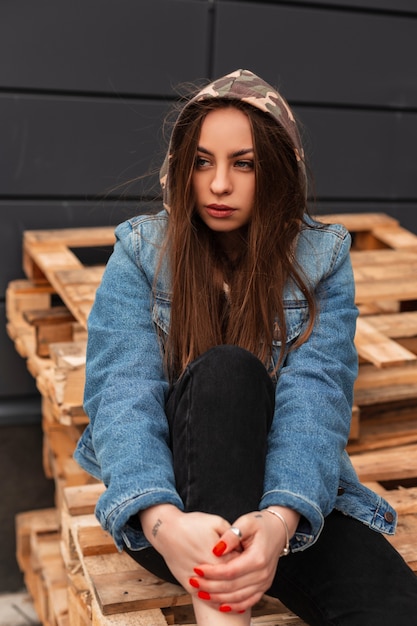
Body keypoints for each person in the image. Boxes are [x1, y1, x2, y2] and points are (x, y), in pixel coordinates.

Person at [74, 69, 417, 625]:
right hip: (174, 509)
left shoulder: (321, 260)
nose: (218, 185)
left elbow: (317, 397)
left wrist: (279, 522)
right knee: (228, 371)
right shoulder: (141, 253)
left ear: (277, 172)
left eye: (244, 163)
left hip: (288, 501)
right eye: (203, 161)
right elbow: (122, 395)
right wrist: (165, 524)